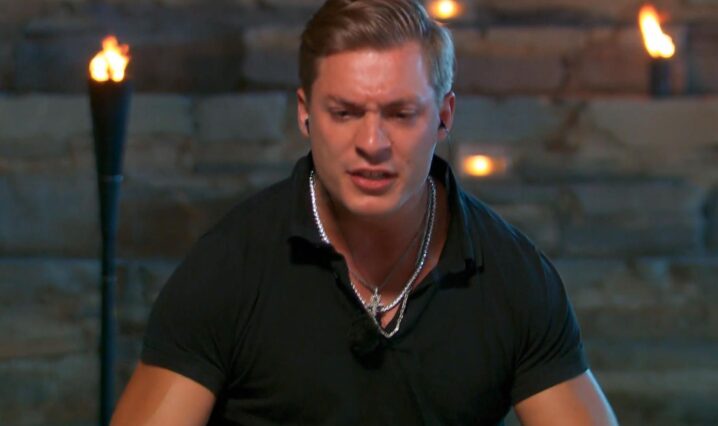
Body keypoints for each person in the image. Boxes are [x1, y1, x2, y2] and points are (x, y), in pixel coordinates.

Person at [112, 0, 618, 424]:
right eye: (345, 112)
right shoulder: (229, 268)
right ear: (306, 113)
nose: (372, 143)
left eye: (401, 114)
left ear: (443, 116)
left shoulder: (512, 276)